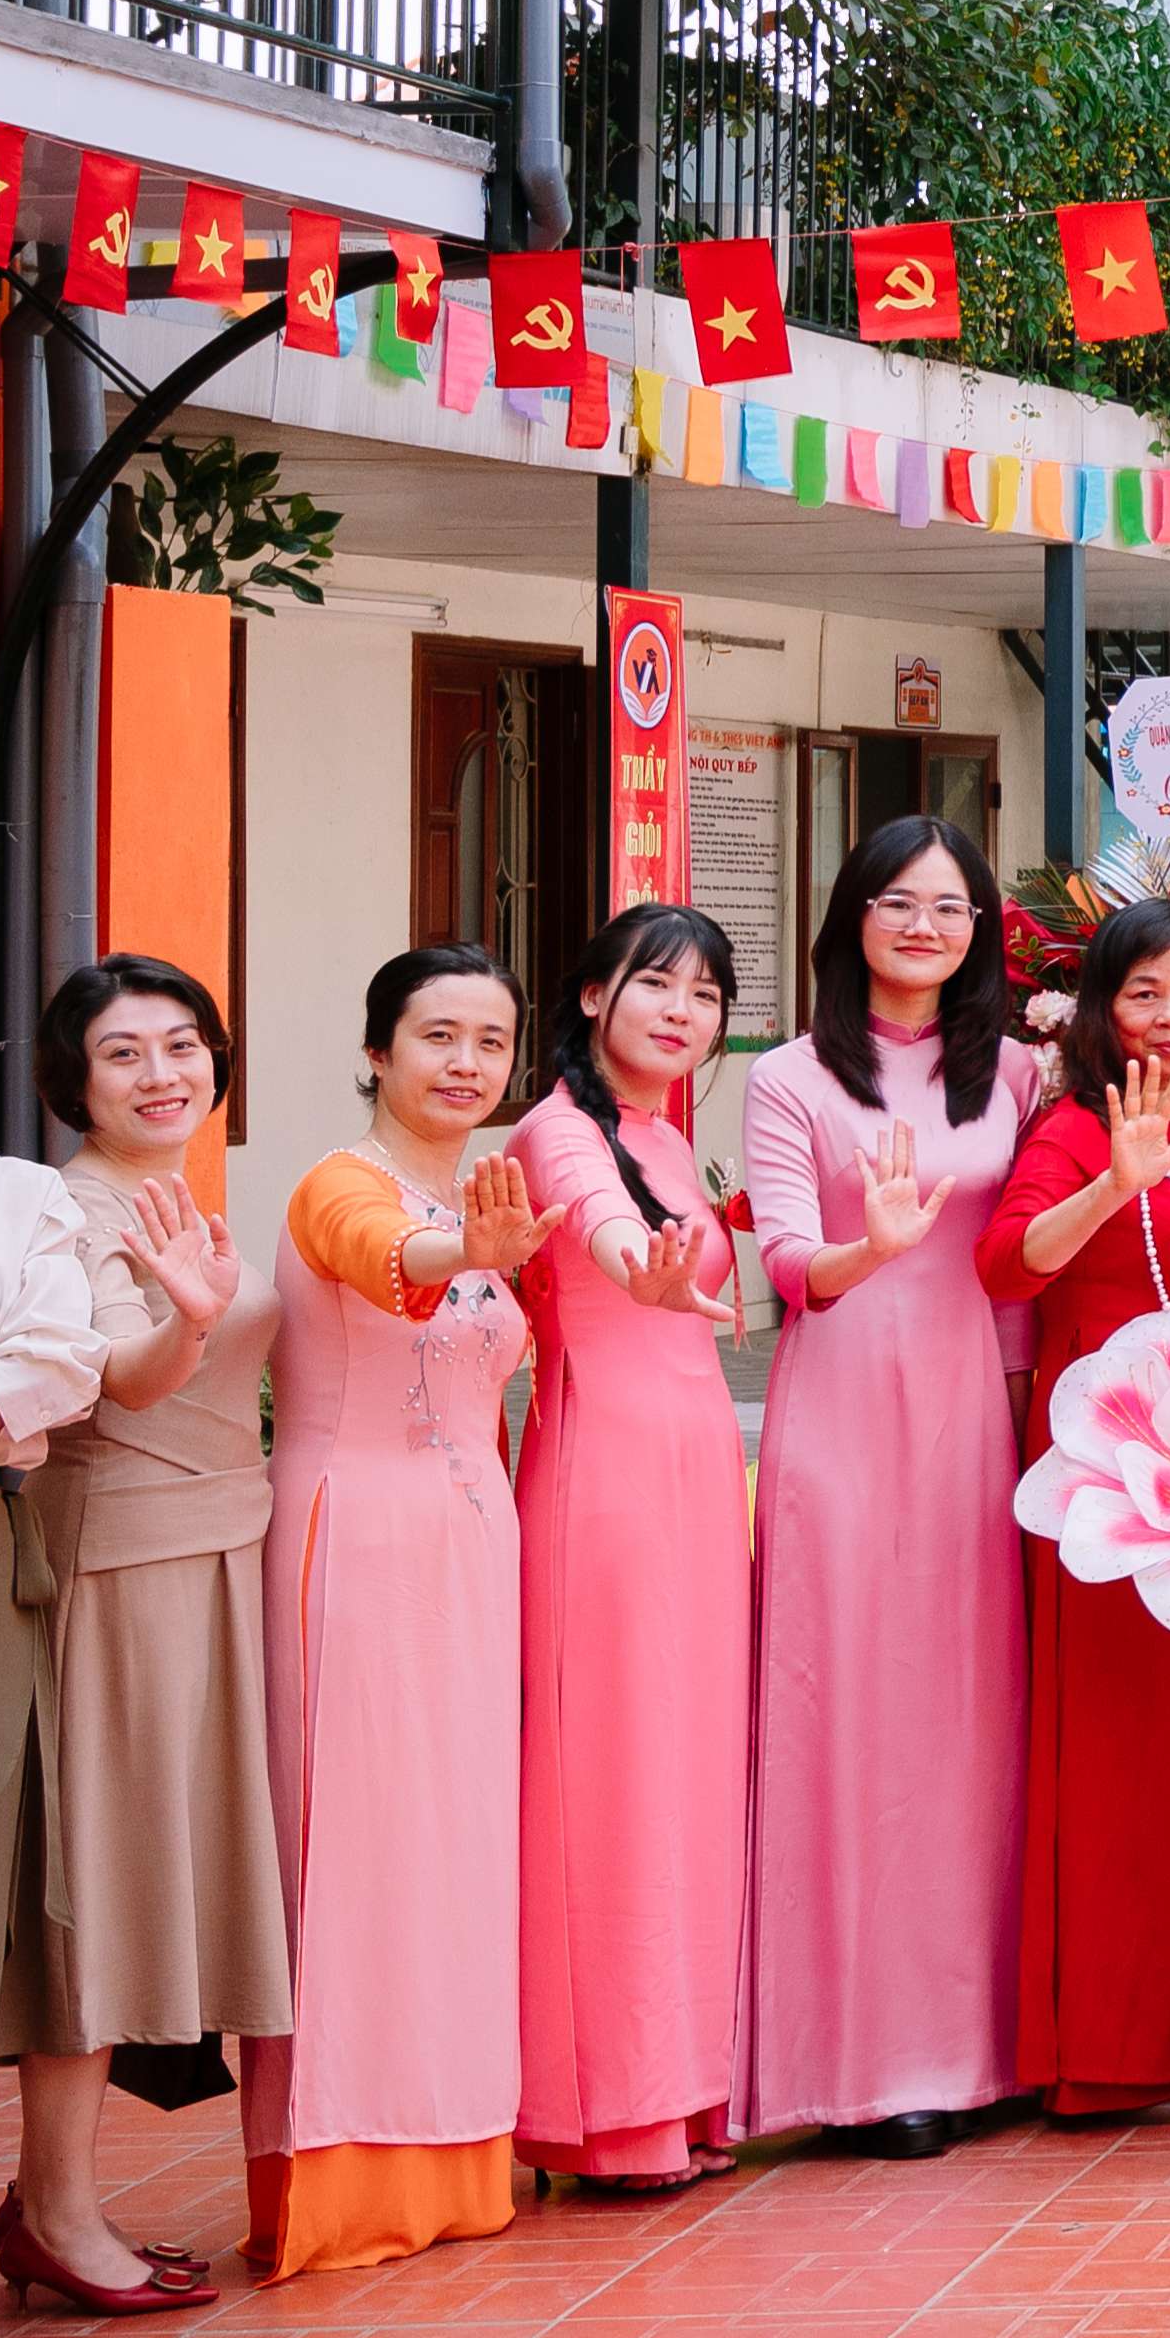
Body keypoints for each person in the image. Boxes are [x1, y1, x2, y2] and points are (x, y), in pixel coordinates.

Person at [734, 823, 1041, 2157]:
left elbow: (1016, 1273)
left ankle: (977, 2048)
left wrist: (1024, 1425)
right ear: (850, 915)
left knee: (968, 1720)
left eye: (951, 907)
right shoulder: (789, 1074)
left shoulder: (1015, 1070)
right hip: (844, 1407)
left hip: (971, 1410)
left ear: (981, 931)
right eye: (898, 902)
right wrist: (872, 1248)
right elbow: (787, 1265)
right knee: (846, 1712)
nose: (924, 926)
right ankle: (849, 2063)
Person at [258, 945, 541, 2273]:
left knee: (457, 1847)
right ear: (377, 1052)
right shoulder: (341, 1183)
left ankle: (457, 2158)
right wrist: (461, 1250)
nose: (465, 1061)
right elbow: (388, 1258)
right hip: (355, 1544)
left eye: (490, 1039)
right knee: (358, 1849)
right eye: (437, 1034)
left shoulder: (487, 1191)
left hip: (474, 1554)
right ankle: (339, 2177)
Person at [984, 900, 1170, 2119]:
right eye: (1143, 991)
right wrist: (1113, 1182)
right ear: (1101, 1008)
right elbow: (1008, 1263)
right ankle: (1109, 2049)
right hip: (1107, 1481)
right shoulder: (1073, 1127)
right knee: (1117, 1762)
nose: (1169, 1014)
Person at [14, 965, 276, 2306]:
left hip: (214, 1551)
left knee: (143, 1877)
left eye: (183, 1044)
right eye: (124, 1053)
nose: (162, 1073)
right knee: (103, 1890)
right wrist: (189, 1315)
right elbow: (121, 1379)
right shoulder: (70, 1207)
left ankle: (51, 2202)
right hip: (126, 1566)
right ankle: (54, 2212)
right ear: (74, 1078)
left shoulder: (170, 1194)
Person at [502, 903, 753, 2194]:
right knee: (618, 1774)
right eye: (657, 984)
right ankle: (614, 2108)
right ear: (595, 994)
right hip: (602, 1477)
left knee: (692, 1771)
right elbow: (598, 1223)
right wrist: (635, 1266)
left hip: (696, 1474)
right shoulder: (558, 1129)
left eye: (705, 995)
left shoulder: (664, 1133)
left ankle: (686, 2087)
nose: (681, 1011)